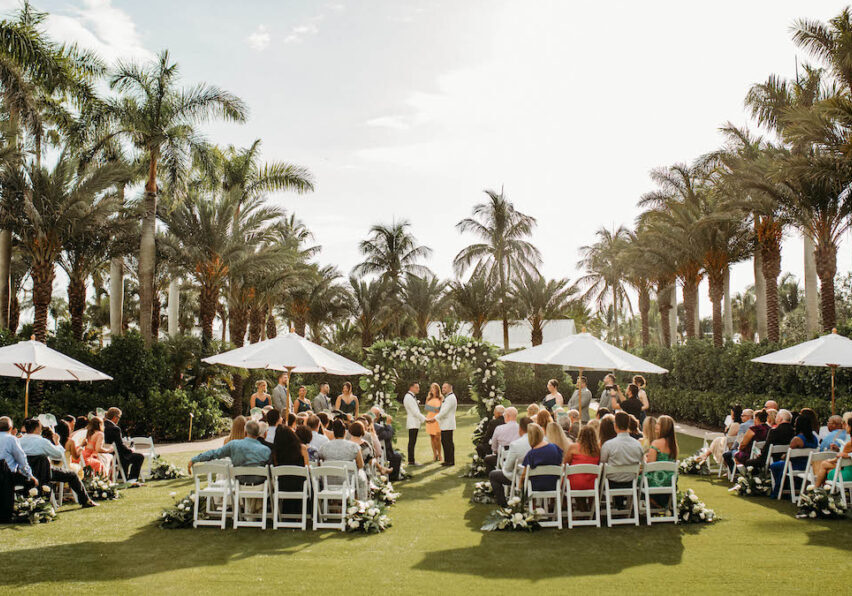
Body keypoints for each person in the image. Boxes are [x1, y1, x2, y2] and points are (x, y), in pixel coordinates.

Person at [19, 419, 97, 507]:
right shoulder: (42, 442)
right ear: (37, 429)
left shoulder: (19, 441)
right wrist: (57, 443)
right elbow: (58, 455)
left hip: (25, 475)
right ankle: (85, 501)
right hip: (45, 473)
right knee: (72, 475)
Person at [189, 420, 271, 478]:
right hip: (260, 485)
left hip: (240, 483)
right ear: (259, 434)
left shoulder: (234, 445)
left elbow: (215, 453)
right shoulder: (266, 450)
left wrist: (195, 459)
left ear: (245, 432)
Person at [769, 413, 819, 499]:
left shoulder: (797, 439)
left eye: (796, 422)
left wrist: (783, 456)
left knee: (774, 466)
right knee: (782, 467)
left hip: (795, 466)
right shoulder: (814, 438)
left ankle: (781, 488)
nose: (794, 424)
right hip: (809, 466)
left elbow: (788, 454)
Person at [489, 416, 532, 507]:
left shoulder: (516, 444)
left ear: (520, 429)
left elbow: (508, 468)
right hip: (540, 478)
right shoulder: (544, 441)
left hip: (521, 478)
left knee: (493, 475)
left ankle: (503, 505)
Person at [600, 411, 645, 486]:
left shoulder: (608, 445)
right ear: (628, 425)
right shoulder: (637, 444)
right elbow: (641, 462)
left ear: (615, 425)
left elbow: (603, 462)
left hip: (612, 481)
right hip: (631, 481)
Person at [104, 407, 145, 484]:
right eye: (119, 417)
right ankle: (132, 479)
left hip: (106, 455)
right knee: (139, 457)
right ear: (115, 417)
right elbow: (120, 446)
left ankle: (121, 476)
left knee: (127, 456)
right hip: (116, 456)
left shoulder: (101, 426)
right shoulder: (115, 428)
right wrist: (130, 450)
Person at [644, 415, 678, 505]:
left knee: (636, 480)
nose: (656, 426)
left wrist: (646, 458)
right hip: (670, 480)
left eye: (658, 424)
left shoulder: (656, 443)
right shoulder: (674, 446)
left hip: (656, 479)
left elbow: (650, 465)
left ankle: (653, 503)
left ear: (664, 427)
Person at [520, 423, 563, 492]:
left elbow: (524, 475)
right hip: (554, 484)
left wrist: (519, 487)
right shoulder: (555, 448)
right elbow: (560, 465)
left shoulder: (531, 454)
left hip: (535, 486)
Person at [0, 417, 37, 488]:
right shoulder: (11, 439)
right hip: (6, 476)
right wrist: (29, 475)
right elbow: (21, 459)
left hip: (5, 474)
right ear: (10, 429)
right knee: (31, 483)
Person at [814, 417, 852, 487]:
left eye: (847, 425)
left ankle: (816, 489)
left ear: (850, 427)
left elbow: (839, 459)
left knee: (825, 467)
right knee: (825, 465)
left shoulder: (849, 444)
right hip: (847, 469)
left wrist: (832, 459)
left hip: (848, 475)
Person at [563, 424, 601, 491]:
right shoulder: (598, 450)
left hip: (573, 484)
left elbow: (565, 464)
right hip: (592, 485)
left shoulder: (573, 447)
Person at [485, 407, 519, 472]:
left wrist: (496, 451)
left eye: (504, 415)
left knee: (487, 459)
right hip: (517, 459)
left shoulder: (499, 428)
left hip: (502, 459)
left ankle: (493, 476)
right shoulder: (521, 429)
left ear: (507, 416)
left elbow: (494, 447)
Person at [403, 382, 427, 466]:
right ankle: (411, 460)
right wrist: (425, 419)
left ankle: (411, 460)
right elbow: (414, 412)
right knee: (412, 442)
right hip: (412, 422)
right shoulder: (409, 397)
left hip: (414, 422)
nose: (418, 389)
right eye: (417, 387)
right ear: (411, 387)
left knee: (413, 441)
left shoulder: (411, 397)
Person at [435, 382, 457, 466]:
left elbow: (445, 411)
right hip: (445, 423)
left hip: (448, 423)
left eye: (445, 388)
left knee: (447, 442)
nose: (443, 389)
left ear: (450, 388)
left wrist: (435, 418)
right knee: (445, 441)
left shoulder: (450, 398)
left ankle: (450, 461)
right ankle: (448, 459)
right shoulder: (448, 397)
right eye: (442, 387)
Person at [424, 383, 443, 462]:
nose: (432, 389)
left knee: (438, 438)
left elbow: (441, 409)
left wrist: (433, 409)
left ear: (437, 389)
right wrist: (435, 409)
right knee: (432, 438)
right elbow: (426, 408)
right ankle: (434, 455)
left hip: (437, 419)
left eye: (434, 388)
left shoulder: (441, 398)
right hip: (429, 418)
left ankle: (440, 454)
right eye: (431, 388)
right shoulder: (428, 398)